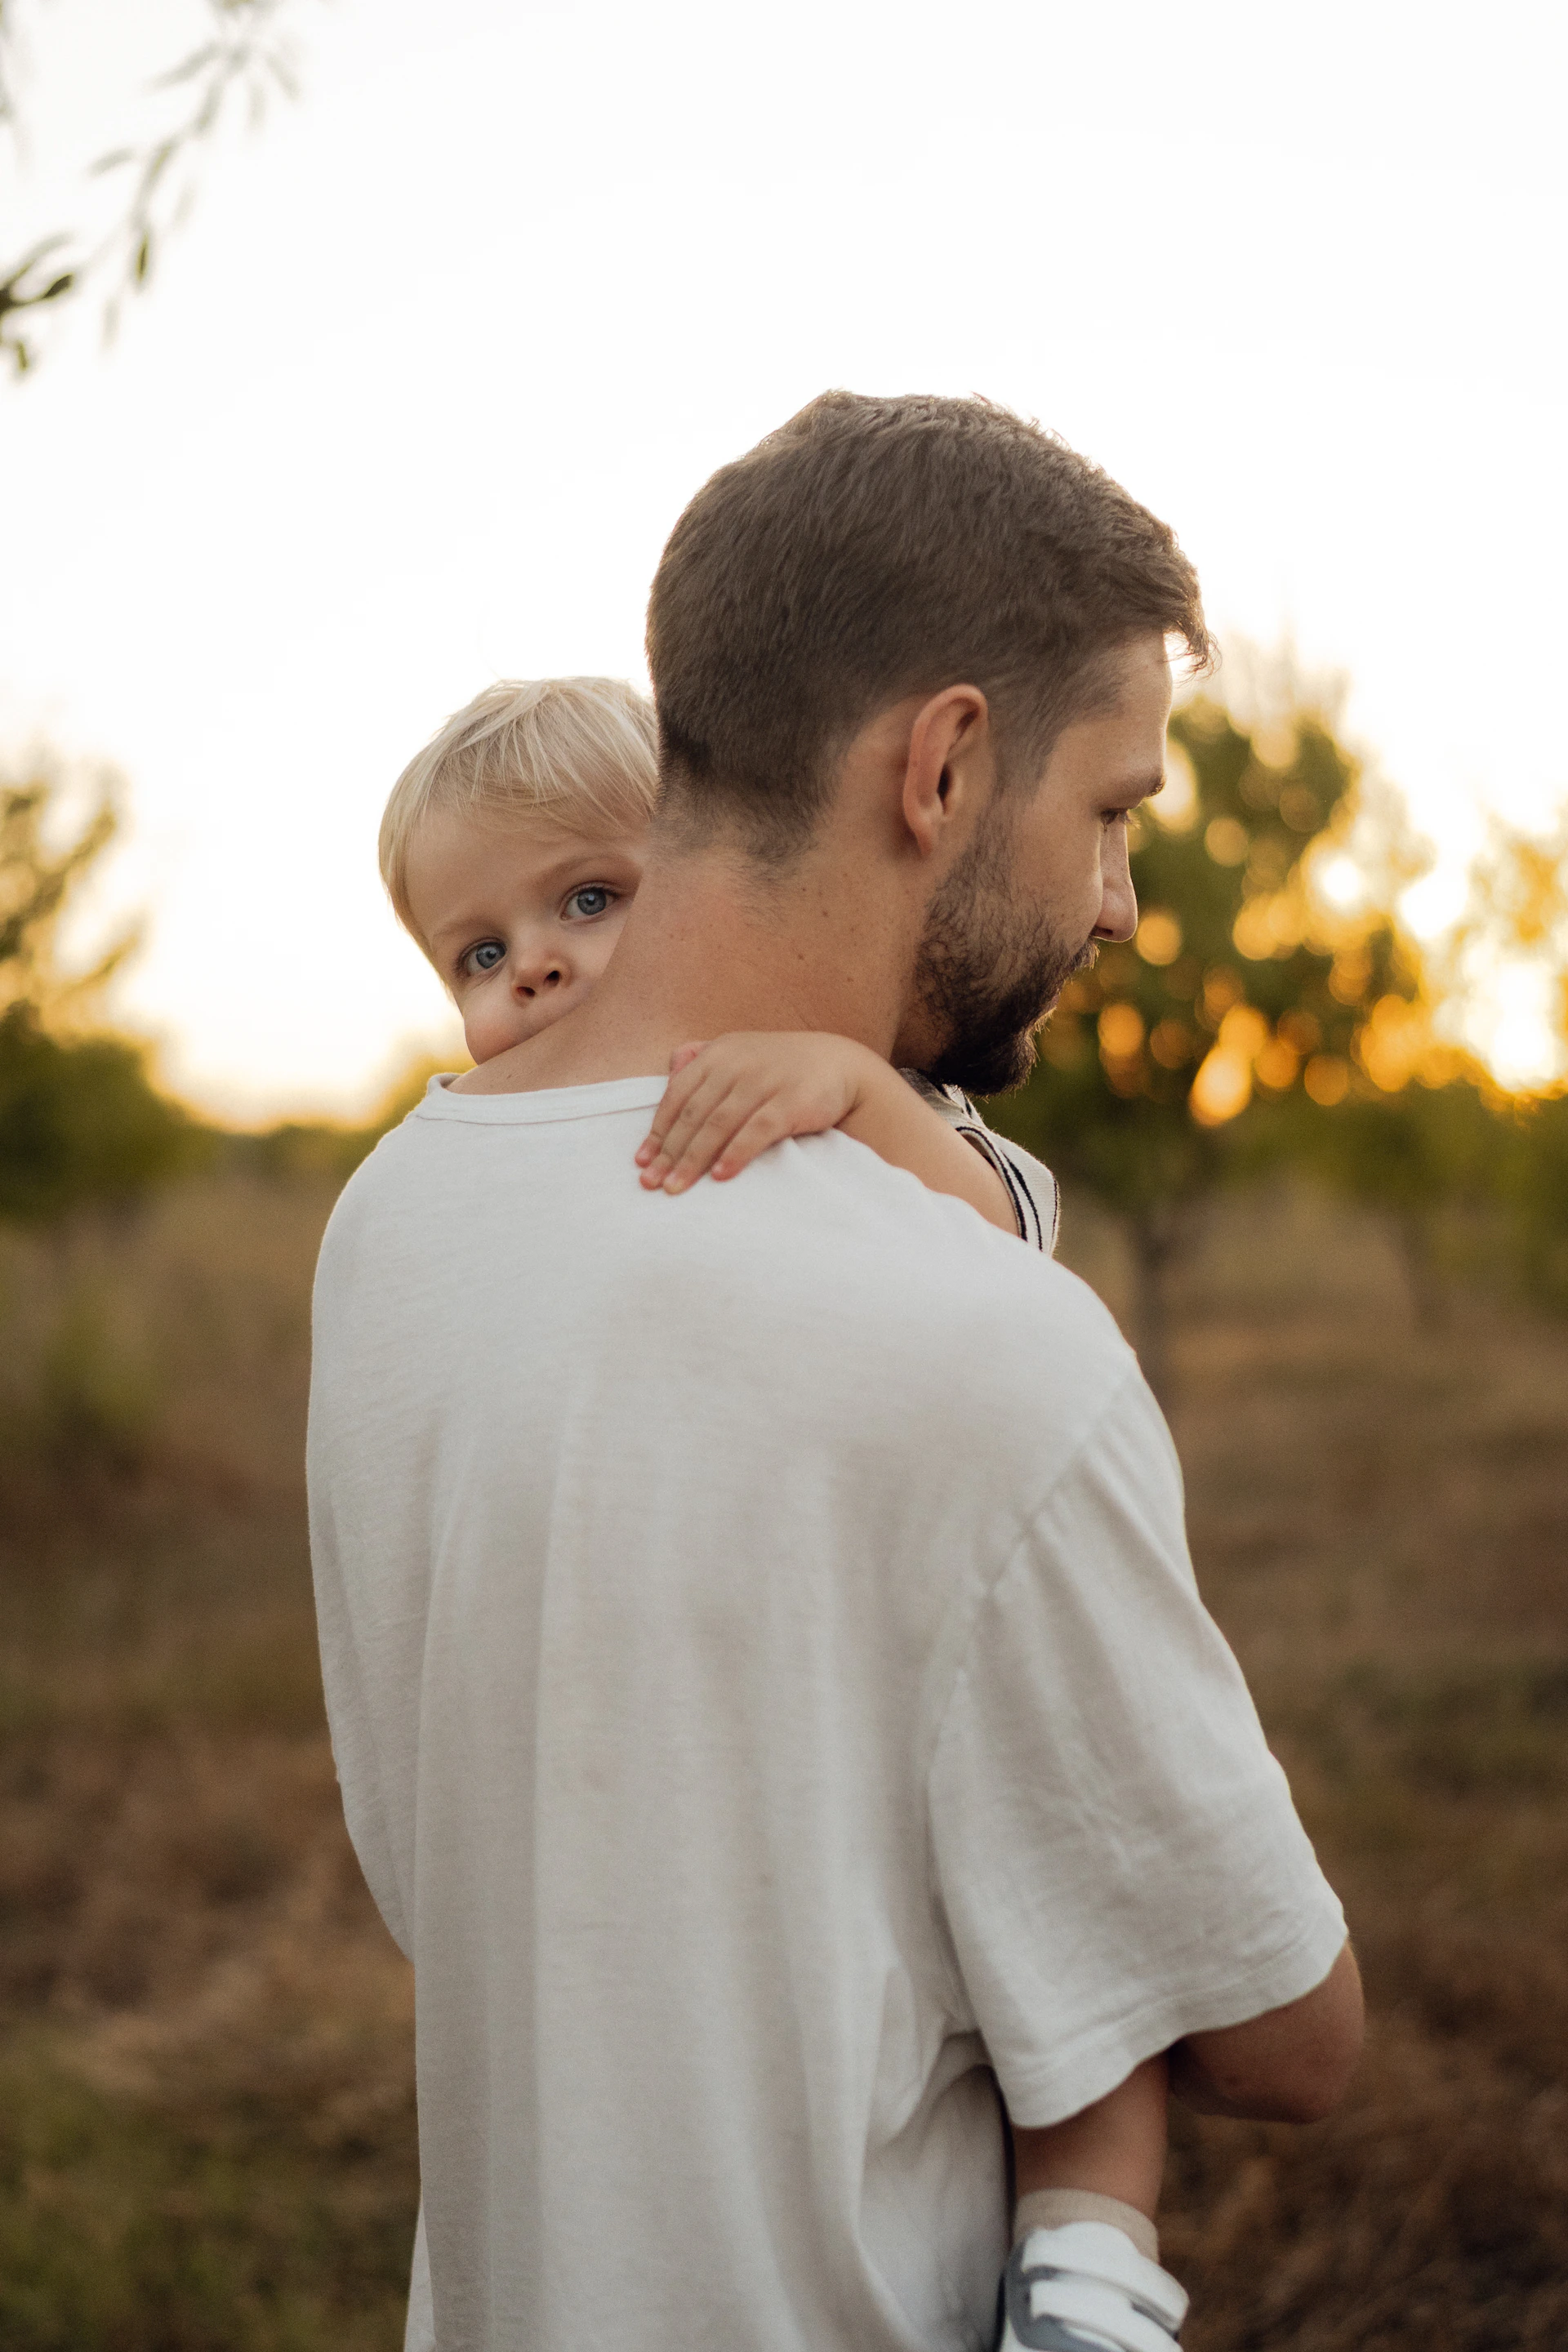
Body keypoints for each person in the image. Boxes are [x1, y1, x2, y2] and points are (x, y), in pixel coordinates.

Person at [310, 393, 1363, 2352]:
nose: (1125, 903)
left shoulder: (389, 1223)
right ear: (947, 766)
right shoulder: (981, 1342)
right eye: (1115, 810)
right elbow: (1287, 2032)